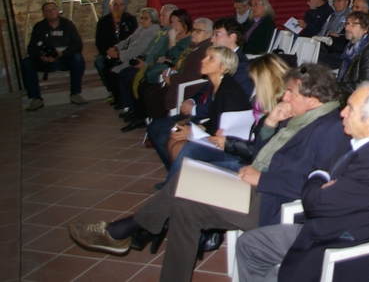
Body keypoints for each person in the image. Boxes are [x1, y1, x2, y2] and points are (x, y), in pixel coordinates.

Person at [67, 64, 351, 282]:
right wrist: (269, 125)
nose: (284, 96)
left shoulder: (330, 129)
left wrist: (262, 178)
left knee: (184, 183)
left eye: (291, 92)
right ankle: (141, 245)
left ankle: (126, 230)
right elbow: (260, 155)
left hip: (272, 204)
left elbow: (319, 185)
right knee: (185, 202)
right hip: (254, 186)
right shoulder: (302, 118)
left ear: (313, 98)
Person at [234, 81, 369, 282]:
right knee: (248, 244)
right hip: (323, 227)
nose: (342, 113)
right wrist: (320, 179)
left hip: (336, 242)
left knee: (264, 260)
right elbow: (321, 169)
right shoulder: (364, 140)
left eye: (350, 109)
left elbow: (314, 203)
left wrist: (318, 181)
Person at [166, 54, 290, 182]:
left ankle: (171, 191)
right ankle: (171, 188)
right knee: (187, 148)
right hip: (241, 149)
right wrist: (227, 136)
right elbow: (251, 133)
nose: (255, 87)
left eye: (257, 82)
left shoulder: (280, 110)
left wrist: (228, 142)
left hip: (250, 162)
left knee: (192, 164)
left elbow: (261, 149)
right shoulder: (262, 102)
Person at [165, 45, 252, 172]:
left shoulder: (230, 92)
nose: (203, 60)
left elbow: (226, 130)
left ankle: (174, 185)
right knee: (175, 138)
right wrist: (194, 129)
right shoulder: (216, 86)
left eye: (211, 58)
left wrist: (193, 132)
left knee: (184, 148)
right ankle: (175, 181)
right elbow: (214, 120)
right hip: (218, 136)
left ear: (223, 67)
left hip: (229, 147)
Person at [140, 17, 213, 120]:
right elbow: (182, 65)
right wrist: (172, 72)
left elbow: (195, 74)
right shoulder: (194, 47)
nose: (194, 33)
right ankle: (154, 124)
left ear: (209, 34)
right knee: (148, 90)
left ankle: (161, 127)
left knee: (154, 97)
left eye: (198, 30)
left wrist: (172, 78)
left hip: (191, 87)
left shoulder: (205, 50)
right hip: (181, 80)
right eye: (193, 29)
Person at [22, 2, 87, 111]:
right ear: (43, 14)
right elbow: (31, 48)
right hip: (45, 60)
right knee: (26, 62)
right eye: (47, 10)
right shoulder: (39, 27)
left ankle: (75, 94)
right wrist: (40, 56)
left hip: (64, 58)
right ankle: (36, 98)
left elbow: (77, 45)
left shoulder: (68, 24)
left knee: (77, 58)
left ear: (58, 11)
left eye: (53, 9)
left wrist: (62, 53)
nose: (51, 12)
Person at [104, 7, 162, 107]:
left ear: (153, 19)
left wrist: (118, 55)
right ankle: (119, 99)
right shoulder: (142, 28)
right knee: (105, 67)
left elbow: (138, 50)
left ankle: (125, 103)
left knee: (116, 73)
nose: (142, 21)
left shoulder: (153, 31)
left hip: (137, 57)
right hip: (128, 54)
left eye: (145, 18)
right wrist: (116, 48)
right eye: (141, 18)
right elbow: (128, 40)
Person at [336, 12, 369, 101]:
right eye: (347, 23)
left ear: (365, 29)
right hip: (350, 94)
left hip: (367, 101)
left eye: (353, 24)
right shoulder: (351, 48)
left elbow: (367, 86)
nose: (347, 27)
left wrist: (333, 86)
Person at [94, 0, 138, 98]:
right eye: (115, 4)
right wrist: (108, 52)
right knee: (99, 62)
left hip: (125, 51)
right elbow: (99, 41)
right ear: (110, 6)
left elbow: (134, 38)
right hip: (108, 51)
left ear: (124, 6)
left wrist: (122, 53)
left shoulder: (130, 20)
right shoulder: (103, 22)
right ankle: (111, 90)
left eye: (121, 4)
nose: (118, 7)